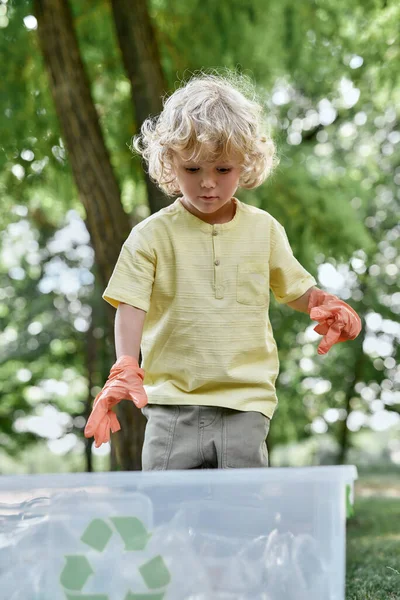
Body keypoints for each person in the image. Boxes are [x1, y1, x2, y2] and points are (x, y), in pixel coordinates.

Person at [84, 71, 361, 469]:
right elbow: (130, 304)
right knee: (169, 519)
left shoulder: (264, 229)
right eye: (193, 170)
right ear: (170, 162)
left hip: (245, 404)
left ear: (246, 163)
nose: (208, 184)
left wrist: (327, 303)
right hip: (170, 405)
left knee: (240, 520)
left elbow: (296, 290)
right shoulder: (150, 236)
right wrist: (125, 364)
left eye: (223, 170)